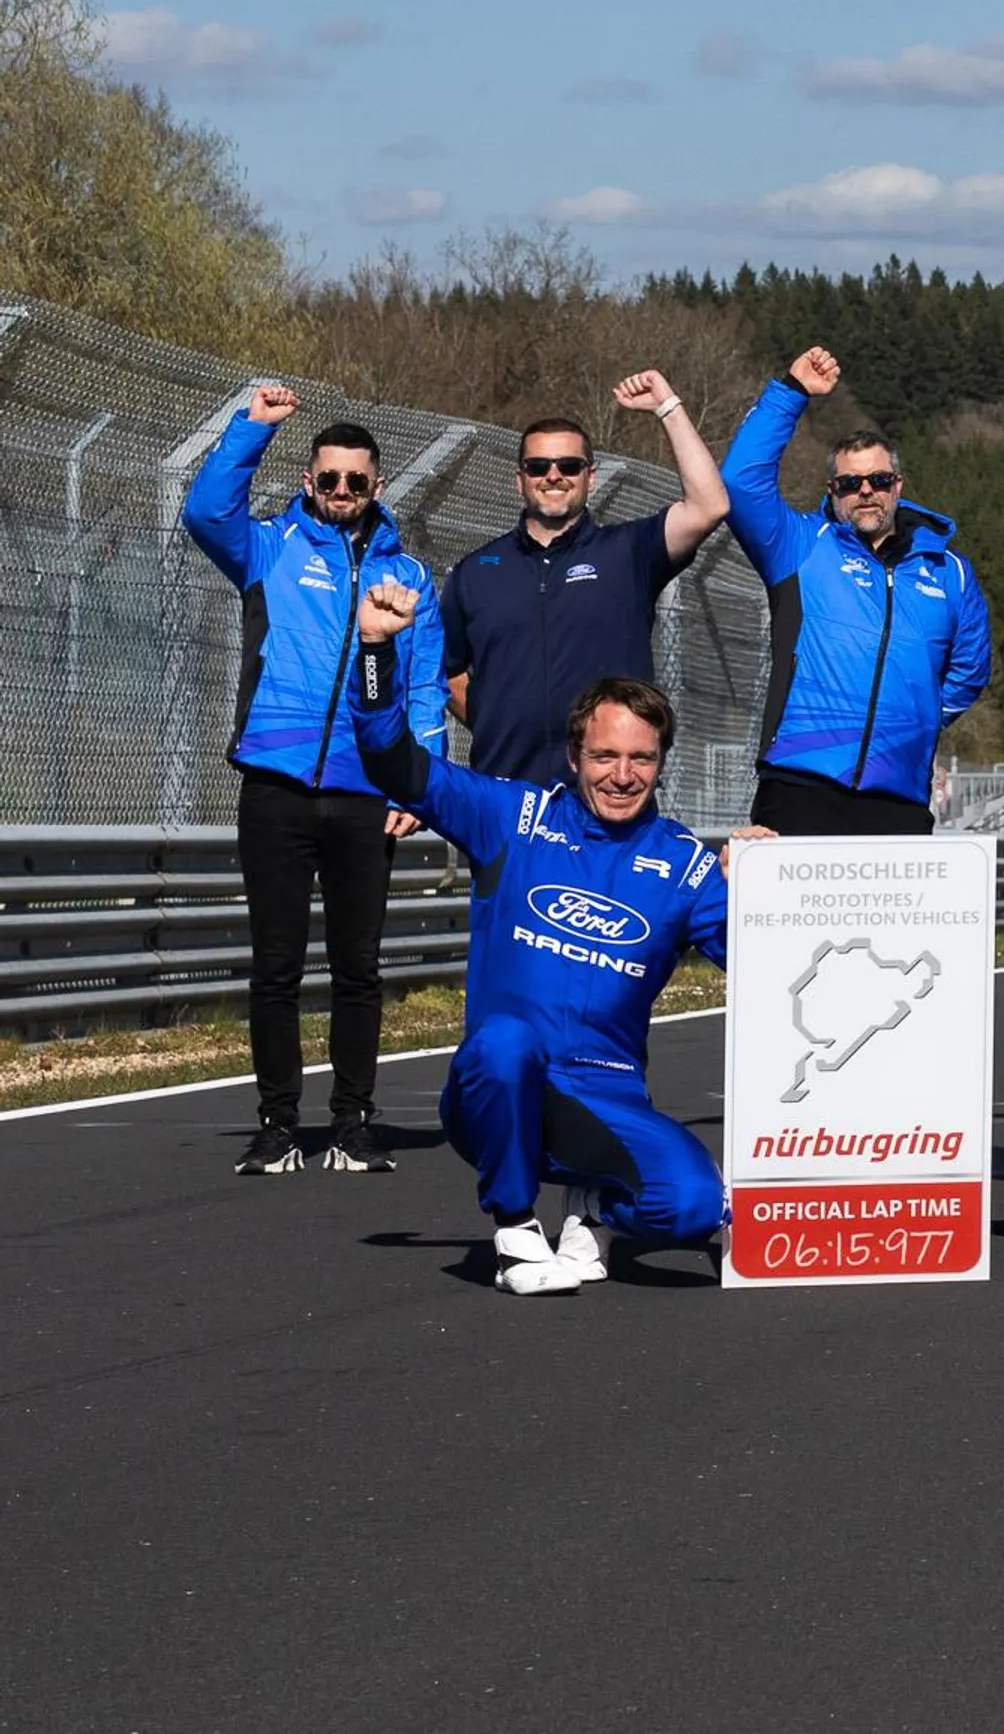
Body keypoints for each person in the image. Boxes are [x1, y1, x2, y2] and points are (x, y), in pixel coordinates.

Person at [344, 576, 727, 1297]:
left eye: (641, 759)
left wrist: (771, 881)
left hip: (607, 1095)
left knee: (692, 1205)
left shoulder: (687, 865)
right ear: (574, 756)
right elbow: (390, 759)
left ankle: (590, 1201)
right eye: (606, 756)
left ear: (660, 762)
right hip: (497, 1084)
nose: (622, 775)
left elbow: (769, 957)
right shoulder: (510, 817)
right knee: (504, 1039)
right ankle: (517, 1230)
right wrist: (374, 649)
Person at [181, 384, 445, 1176]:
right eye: (326, 479)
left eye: (354, 482)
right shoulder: (267, 548)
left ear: (376, 487)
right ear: (307, 481)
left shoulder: (410, 577)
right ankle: (276, 1124)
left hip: (366, 794)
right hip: (275, 786)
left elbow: (427, 686)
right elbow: (202, 512)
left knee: (359, 965)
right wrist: (248, 431)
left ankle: (354, 1124)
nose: (339, 493)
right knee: (277, 964)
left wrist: (413, 787)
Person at [722, 346, 991, 835]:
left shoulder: (950, 572)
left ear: (898, 486)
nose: (865, 490)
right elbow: (740, 483)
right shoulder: (800, 546)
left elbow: (969, 672)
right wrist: (791, 392)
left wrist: (915, 721)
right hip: (800, 781)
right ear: (831, 491)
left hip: (899, 792)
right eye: (849, 483)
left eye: (879, 479)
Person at [442, 372, 733, 782]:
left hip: (609, 794)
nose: (554, 475)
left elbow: (709, 505)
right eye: (538, 466)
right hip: (505, 793)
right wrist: (497, 719)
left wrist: (667, 407)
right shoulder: (475, 572)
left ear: (590, 477)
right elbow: (447, 671)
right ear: (519, 479)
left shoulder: (629, 553)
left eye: (570, 466)